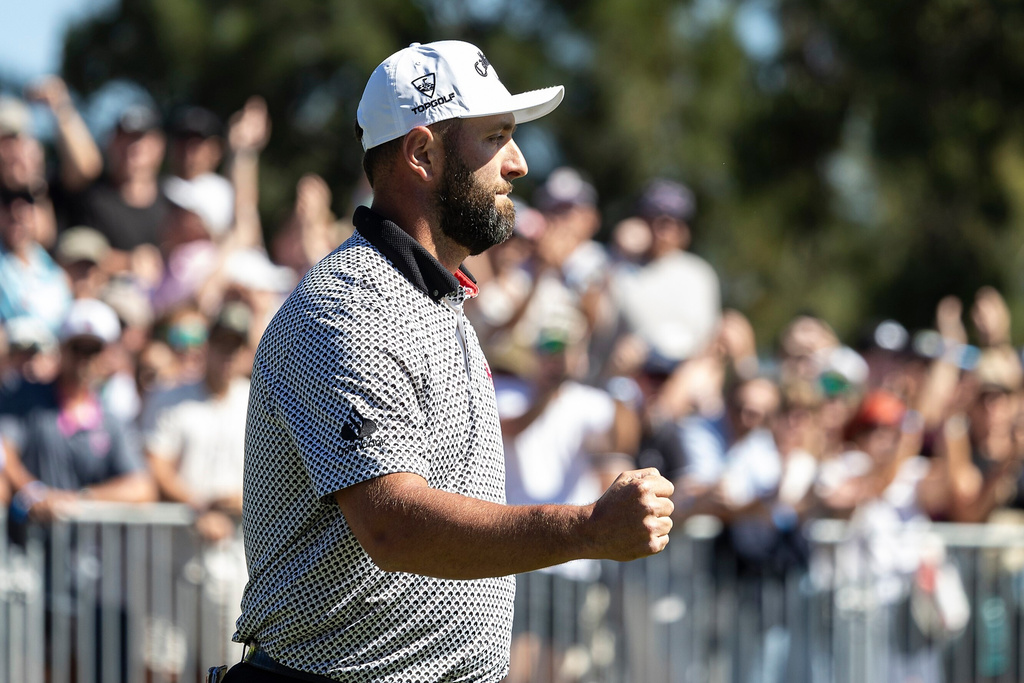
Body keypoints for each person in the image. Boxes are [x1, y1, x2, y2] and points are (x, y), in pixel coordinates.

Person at [229, 40, 674, 683]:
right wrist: (586, 530)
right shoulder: (349, 305)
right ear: (422, 154)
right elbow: (393, 525)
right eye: (496, 138)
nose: (519, 164)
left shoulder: (430, 300)